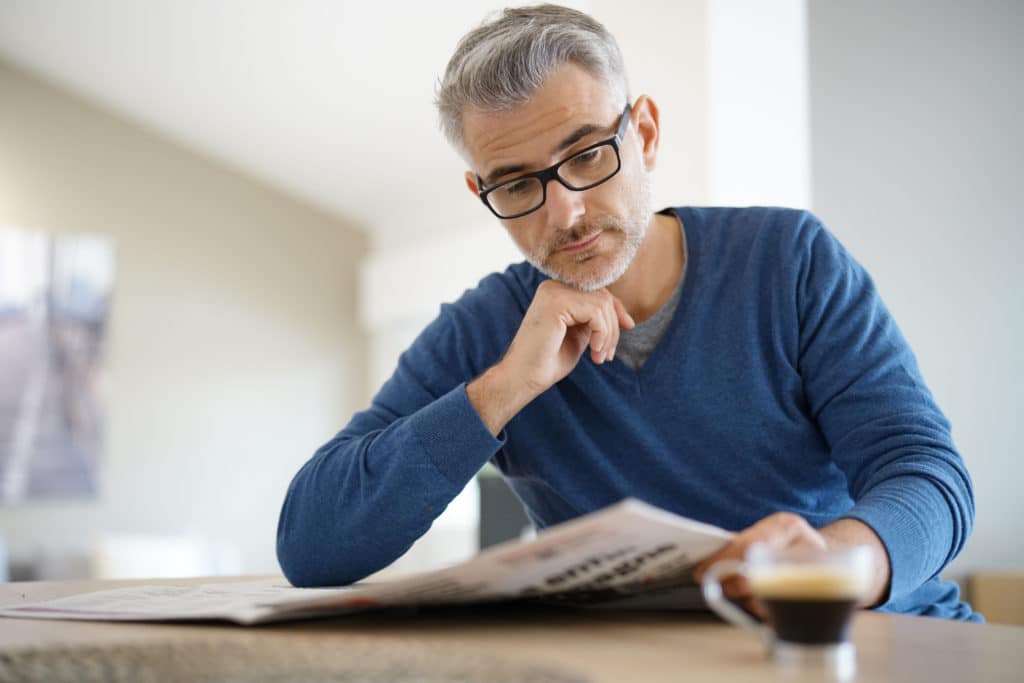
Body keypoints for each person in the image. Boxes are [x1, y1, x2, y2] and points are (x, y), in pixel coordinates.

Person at [276, 4, 978, 621]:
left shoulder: (789, 260)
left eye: (585, 154)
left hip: (872, 637)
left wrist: (840, 563)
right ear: (479, 189)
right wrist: (502, 390)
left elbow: (926, 473)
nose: (565, 211)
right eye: (517, 183)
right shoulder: (486, 331)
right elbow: (310, 543)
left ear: (642, 133)